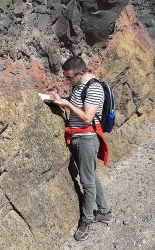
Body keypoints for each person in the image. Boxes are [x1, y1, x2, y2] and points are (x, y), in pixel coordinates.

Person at [50, 56, 112, 241]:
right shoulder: (79, 86)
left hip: (87, 139)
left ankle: (87, 220)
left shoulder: (94, 88)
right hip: (78, 137)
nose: (68, 81)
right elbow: (78, 102)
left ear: (81, 73)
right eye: (66, 77)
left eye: (70, 77)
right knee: (91, 176)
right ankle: (104, 211)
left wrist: (67, 105)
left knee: (87, 182)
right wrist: (61, 99)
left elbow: (87, 117)